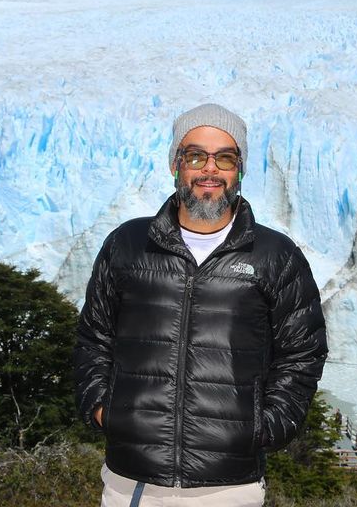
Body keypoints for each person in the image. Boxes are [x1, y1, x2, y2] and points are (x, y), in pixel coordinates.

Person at [74, 103, 328, 507]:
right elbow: (94, 337)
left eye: (224, 158)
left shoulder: (274, 255)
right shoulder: (127, 245)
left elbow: (302, 351)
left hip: (229, 486)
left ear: (239, 170)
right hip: (132, 480)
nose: (210, 170)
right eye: (195, 156)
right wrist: (105, 410)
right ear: (176, 164)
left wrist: (265, 426)